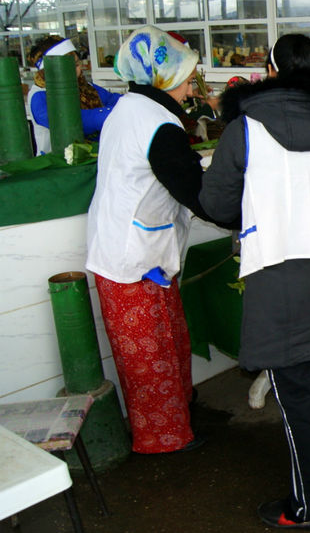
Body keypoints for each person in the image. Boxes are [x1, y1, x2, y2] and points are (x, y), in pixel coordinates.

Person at [200, 33, 310, 531]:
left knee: (297, 401)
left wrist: (259, 212)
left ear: (270, 69)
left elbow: (215, 204)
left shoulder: (244, 129)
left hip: (278, 278)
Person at [85, 26, 236, 454]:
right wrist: (241, 218)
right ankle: (163, 439)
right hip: (128, 258)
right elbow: (193, 190)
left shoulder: (130, 107)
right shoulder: (157, 125)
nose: (191, 85)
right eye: (186, 76)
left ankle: (179, 416)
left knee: (168, 340)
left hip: (138, 248)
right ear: (162, 77)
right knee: (147, 357)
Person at [27, 35, 121, 154]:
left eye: (77, 64)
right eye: (72, 66)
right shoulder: (39, 96)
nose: (79, 70)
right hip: (58, 164)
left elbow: (113, 99)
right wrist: (116, 113)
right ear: (51, 69)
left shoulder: (86, 87)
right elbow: (72, 121)